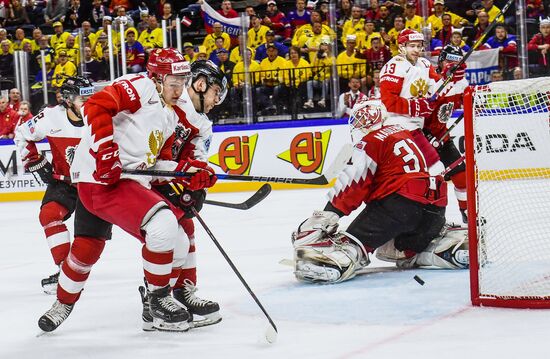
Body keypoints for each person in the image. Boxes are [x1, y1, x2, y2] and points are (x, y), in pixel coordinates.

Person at [37, 48, 216, 333]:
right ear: (157, 79)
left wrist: (188, 172)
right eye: (174, 83)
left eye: (183, 82)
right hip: (98, 181)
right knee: (162, 223)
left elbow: (157, 164)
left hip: (123, 183)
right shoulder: (139, 87)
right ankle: (149, 301)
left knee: (92, 248)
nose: (179, 89)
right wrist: (106, 151)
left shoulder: (169, 115)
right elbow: (96, 105)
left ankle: (155, 306)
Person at [291, 99, 468, 284]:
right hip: (435, 209)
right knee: (403, 250)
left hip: (401, 205)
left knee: (352, 245)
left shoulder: (370, 141)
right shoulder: (404, 133)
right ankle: (447, 247)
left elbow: (353, 183)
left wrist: (328, 215)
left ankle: (335, 261)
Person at [139, 60, 228, 330]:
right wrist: (184, 173)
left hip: (169, 180)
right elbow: (150, 155)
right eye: (215, 93)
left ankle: (181, 292)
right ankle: (153, 301)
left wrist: (197, 184)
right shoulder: (169, 105)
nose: (217, 101)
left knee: (186, 228)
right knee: (167, 238)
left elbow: (198, 159)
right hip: (146, 181)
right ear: (200, 85)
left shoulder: (204, 124)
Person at [14, 77, 95, 294]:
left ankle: (160, 275)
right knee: (49, 214)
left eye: (90, 97)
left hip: (96, 184)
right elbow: (22, 134)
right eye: (82, 98)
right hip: (66, 183)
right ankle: (65, 270)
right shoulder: (50, 117)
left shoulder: (102, 114)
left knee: (143, 223)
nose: (88, 103)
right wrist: (33, 159)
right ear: (68, 100)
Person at [379, 29, 466, 176]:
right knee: (433, 170)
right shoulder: (394, 66)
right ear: (402, 47)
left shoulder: (424, 64)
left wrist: (449, 78)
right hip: (397, 126)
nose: (416, 50)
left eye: (419, 46)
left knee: (433, 172)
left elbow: (438, 89)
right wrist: (417, 106)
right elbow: (389, 101)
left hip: (415, 126)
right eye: (412, 46)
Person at [423, 45, 469, 223]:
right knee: (428, 181)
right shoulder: (429, 78)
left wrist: (469, 97)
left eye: (456, 61)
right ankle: (426, 219)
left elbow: (463, 103)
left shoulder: (460, 82)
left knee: (461, 173)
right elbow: (429, 102)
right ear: (441, 61)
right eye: (449, 60)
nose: (452, 64)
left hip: (442, 137)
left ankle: (466, 213)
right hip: (421, 136)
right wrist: (447, 81)